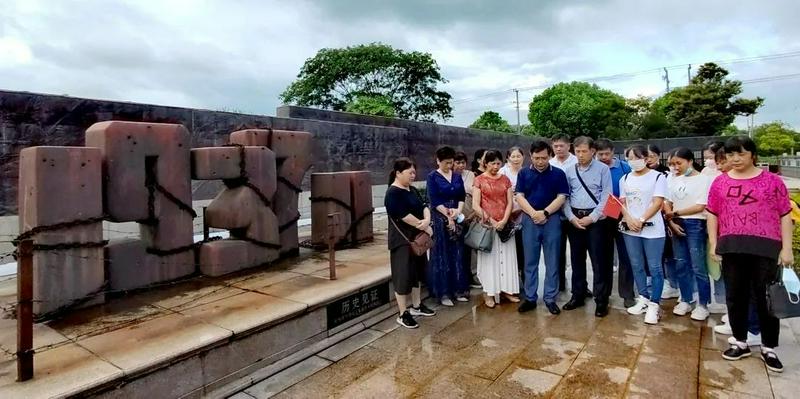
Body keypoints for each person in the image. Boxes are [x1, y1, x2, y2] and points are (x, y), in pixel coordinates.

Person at [707, 136, 792, 373]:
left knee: (765, 297)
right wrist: (714, 242)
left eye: (741, 154)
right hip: (732, 245)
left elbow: (785, 214)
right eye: (731, 154)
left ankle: (768, 346)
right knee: (735, 295)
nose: (735, 159)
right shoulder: (720, 183)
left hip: (765, 246)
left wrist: (786, 248)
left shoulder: (772, 182)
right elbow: (712, 213)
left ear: (753, 155)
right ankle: (741, 341)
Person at [515, 139, 569, 315]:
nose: (540, 162)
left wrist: (545, 213)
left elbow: (562, 197)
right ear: (531, 156)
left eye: (544, 158)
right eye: (537, 158)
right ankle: (530, 297)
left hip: (552, 220)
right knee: (530, 261)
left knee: (552, 260)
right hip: (530, 220)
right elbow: (519, 196)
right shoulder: (523, 173)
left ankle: (550, 298)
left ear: (550, 156)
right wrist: (533, 214)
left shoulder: (559, 174)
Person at [563, 136, 613, 317]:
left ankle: (601, 299)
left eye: (584, 151)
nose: (581, 155)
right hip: (575, 219)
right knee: (576, 259)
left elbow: (607, 196)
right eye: (577, 151)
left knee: (599, 261)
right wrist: (571, 217)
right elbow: (565, 197)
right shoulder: (569, 171)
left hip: (596, 221)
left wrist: (592, 218)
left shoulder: (603, 169)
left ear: (592, 151)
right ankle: (578, 294)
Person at [385, 158, 436, 329]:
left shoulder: (412, 189)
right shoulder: (392, 193)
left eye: (414, 172)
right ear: (398, 173)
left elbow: (424, 206)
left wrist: (427, 219)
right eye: (410, 173)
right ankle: (402, 313)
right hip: (402, 241)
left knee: (417, 273)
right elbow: (402, 215)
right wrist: (423, 225)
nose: (413, 176)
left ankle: (416, 305)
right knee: (402, 276)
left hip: (417, 239)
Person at [620, 144, 668, 325]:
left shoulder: (657, 177)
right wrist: (629, 220)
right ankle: (643, 297)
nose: (633, 161)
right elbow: (622, 202)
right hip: (631, 229)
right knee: (636, 264)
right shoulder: (625, 178)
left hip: (652, 229)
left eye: (636, 157)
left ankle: (655, 304)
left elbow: (657, 203)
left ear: (646, 158)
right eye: (629, 158)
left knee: (655, 267)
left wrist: (641, 219)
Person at [664, 147, 713, 321]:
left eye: (679, 163)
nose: (675, 167)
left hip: (695, 223)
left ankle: (703, 304)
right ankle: (685, 299)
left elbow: (701, 205)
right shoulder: (673, 179)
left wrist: (674, 214)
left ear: (690, 161)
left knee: (698, 265)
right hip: (675, 223)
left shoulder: (703, 180)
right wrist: (671, 220)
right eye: (672, 164)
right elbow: (667, 201)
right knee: (681, 263)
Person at [473, 150, 520, 308]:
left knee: (507, 258)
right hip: (488, 226)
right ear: (485, 163)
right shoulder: (479, 180)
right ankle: (489, 293)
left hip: (505, 225)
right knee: (489, 260)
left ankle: (507, 290)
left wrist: (505, 220)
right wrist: (492, 220)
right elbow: (475, 205)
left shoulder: (505, 179)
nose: (495, 166)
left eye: (498, 163)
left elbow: (510, 203)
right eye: (492, 163)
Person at [595, 138, 636, 308]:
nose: (604, 157)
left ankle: (627, 294)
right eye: (600, 154)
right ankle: (604, 293)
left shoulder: (624, 167)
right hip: (603, 215)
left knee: (626, 255)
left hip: (623, 213)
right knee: (604, 256)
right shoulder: (595, 168)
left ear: (613, 152)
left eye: (607, 153)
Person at [427, 146, 469, 306]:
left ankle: (458, 289)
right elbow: (435, 200)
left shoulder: (457, 176)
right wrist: (448, 216)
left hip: (456, 215)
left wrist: (457, 212)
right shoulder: (432, 177)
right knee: (442, 254)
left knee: (458, 254)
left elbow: (461, 196)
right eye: (445, 163)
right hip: (440, 217)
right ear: (438, 161)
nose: (449, 166)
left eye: (450, 163)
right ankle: (443, 292)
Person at [549, 133, 577, 292]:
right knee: (557, 250)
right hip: (555, 213)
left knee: (577, 251)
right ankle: (559, 282)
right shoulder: (550, 163)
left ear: (569, 145)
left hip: (574, 212)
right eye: (555, 146)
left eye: (561, 145)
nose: (558, 148)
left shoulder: (576, 161)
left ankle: (579, 285)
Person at [500, 146, 526, 275]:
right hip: (507, 215)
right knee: (509, 248)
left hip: (524, 214)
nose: (516, 159)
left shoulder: (526, 172)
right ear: (508, 158)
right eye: (513, 156)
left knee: (522, 247)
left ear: (523, 157)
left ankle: (522, 274)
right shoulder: (502, 172)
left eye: (518, 156)